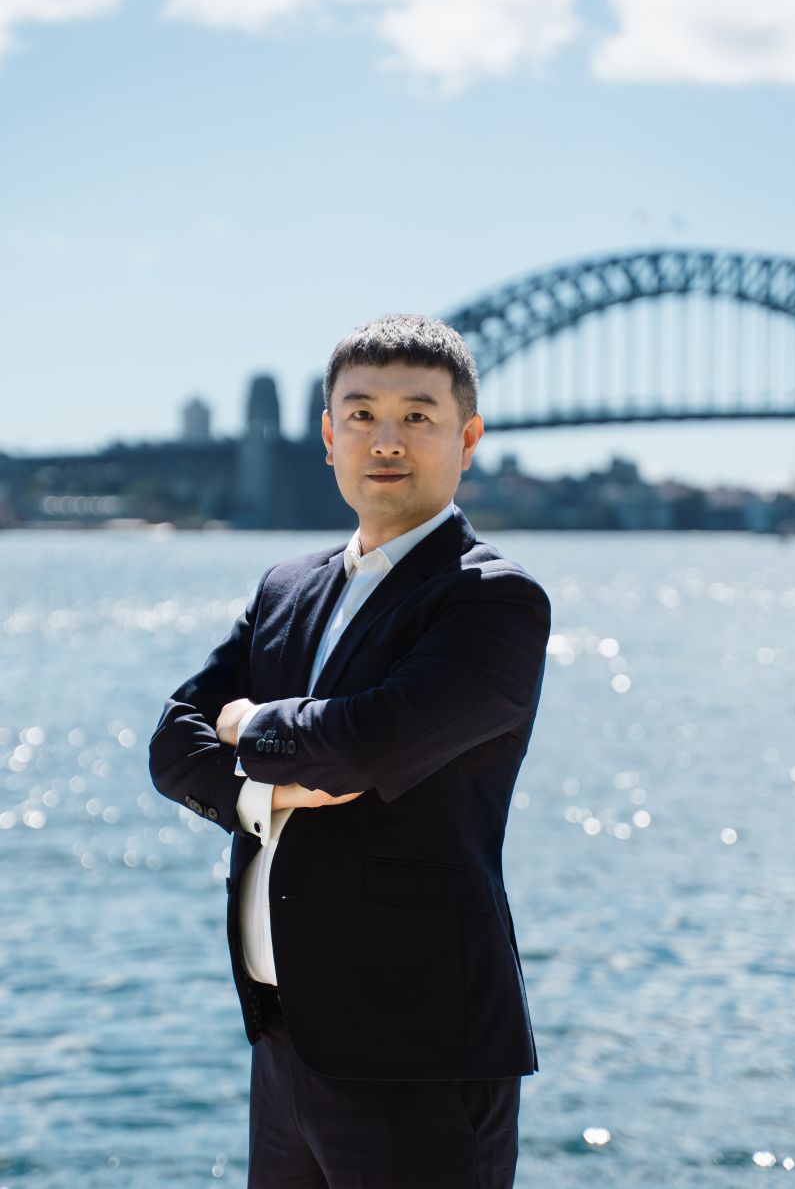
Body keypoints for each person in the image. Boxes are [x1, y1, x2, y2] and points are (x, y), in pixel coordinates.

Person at [148, 313, 551, 1189]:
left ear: (467, 438)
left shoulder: (494, 600)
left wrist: (249, 724)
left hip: (421, 1051)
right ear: (329, 437)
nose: (386, 439)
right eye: (362, 414)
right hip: (285, 1041)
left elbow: (366, 743)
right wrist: (265, 794)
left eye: (418, 415)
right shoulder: (285, 587)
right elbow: (171, 743)